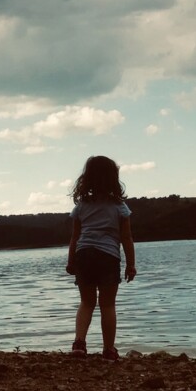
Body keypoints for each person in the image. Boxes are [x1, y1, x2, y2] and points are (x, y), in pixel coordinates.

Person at [65, 155, 136, 361]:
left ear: (86, 178)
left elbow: (75, 237)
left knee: (86, 302)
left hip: (84, 255)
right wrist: (131, 265)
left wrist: (71, 261)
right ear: (114, 178)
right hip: (108, 256)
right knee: (107, 304)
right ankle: (109, 349)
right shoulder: (119, 207)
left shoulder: (81, 206)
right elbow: (126, 238)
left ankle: (79, 343)